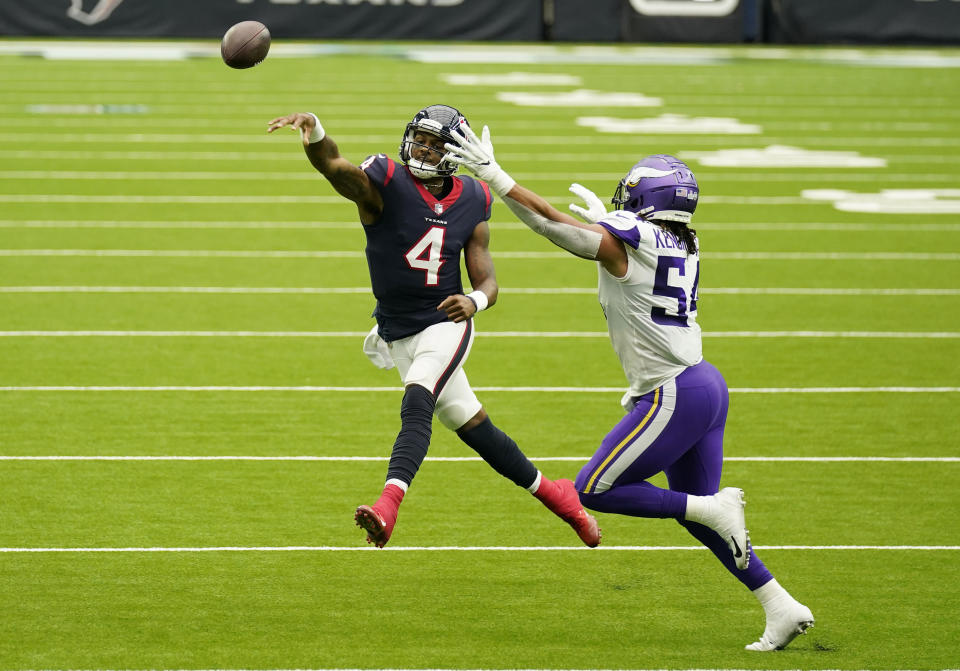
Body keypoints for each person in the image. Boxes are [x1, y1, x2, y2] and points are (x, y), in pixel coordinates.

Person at [444, 123, 814, 651]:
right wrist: (598, 222)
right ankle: (780, 604)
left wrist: (496, 177)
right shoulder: (684, 239)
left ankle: (716, 511)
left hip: (673, 392)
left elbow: (554, 226)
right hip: (704, 385)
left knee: (598, 488)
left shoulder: (630, 244)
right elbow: (579, 234)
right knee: (699, 513)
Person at [266, 104, 600, 550]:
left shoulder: (474, 197)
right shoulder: (386, 181)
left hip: (446, 320)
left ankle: (387, 507)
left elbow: (487, 280)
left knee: (417, 399)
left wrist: (474, 300)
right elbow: (334, 167)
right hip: (397, 330)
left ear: (455, 152)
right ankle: (560, 497)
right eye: (420, 139)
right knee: (473, 425)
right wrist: (314, 131)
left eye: (436, 143)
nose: (423, 148)